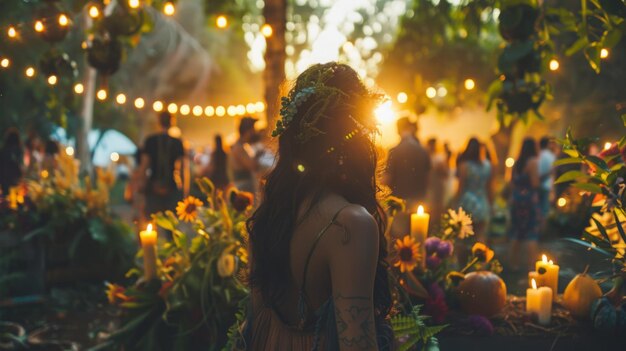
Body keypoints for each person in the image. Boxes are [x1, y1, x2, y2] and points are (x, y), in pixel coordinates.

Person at [245, 63, 393, 350]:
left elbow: (255, 327)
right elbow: (357, 345)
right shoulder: (350, 225)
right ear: (356, 137)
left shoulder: (269, 214)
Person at [139, 112, 185, 220]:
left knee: (151, 221)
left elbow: (144, 166)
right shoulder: (177, 142)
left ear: (158, 122)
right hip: (171, 186)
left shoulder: (150, 140)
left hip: (153, 185)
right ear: (172, 123)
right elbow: (183, 169)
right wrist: (184, 191)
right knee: (171, 224)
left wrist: (141, 184)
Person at [508, 137, 541, 271]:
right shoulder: (533, 162)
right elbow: (534, 183)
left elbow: (511, 182)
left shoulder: (517, 163)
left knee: (516, 232)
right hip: (528, 200)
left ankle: (513, 263)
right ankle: (531, 265)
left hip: (516, 199)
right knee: (531, 232)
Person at [384, 116, 431, 208]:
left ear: (398, 129)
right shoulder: (423, 150)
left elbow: (387, 178)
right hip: (419, 201)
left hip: (399, 203)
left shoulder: (394, 151)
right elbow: (428, 179)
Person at [455, 137, 492, 241]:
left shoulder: (464, 166)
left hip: (467, 201)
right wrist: (491, 203)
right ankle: (480, 255)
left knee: (463, 235)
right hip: (482, 201)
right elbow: (489, 187)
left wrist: (455, 201)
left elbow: (460, 187)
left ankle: (464, 256)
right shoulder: (487, 166)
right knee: (480, 235)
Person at [231, 117, 262, 194]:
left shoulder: (242, 146)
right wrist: (259, 155)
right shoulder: (239, 148)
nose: (255, 132)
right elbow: (253, 165)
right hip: (244, 188)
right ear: (247, 131)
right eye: (253, 129)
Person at [426, 138, 449, 227]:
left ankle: (436, 224)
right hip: (429, 186)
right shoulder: (426, 156)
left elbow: (445, 174)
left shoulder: (440, 157)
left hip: (438, 185)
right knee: (430, 206)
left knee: (438, 206)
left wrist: (440, 168)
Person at [0, 128, 24, 195]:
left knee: (6, 198)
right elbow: (20, 164)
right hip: (15, 178)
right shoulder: (19, 150)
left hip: (4, 179)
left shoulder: (3, 150)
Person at [537, 136, 556, 218]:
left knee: (536, 209)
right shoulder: (551, 156)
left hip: (536, 185)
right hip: (546, 185)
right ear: (548, 144)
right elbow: (553, 172)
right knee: (544, 211)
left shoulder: (537, 154)